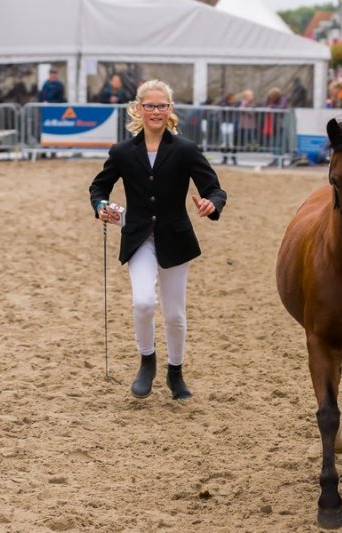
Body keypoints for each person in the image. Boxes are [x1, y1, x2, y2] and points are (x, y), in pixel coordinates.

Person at [88, 79, 227, 401]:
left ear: (170, 109)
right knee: (143, 302)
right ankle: (146, 362)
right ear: (138, 109)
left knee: (174, 314)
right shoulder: (122, 152)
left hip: (176, 239)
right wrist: (101, 206)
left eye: (161, 106)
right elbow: (99, 187)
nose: (155, 111)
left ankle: (175, 371)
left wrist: (212, 203)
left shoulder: (186, 150)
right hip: (139, 238)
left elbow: (214, 189)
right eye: (149, 105)